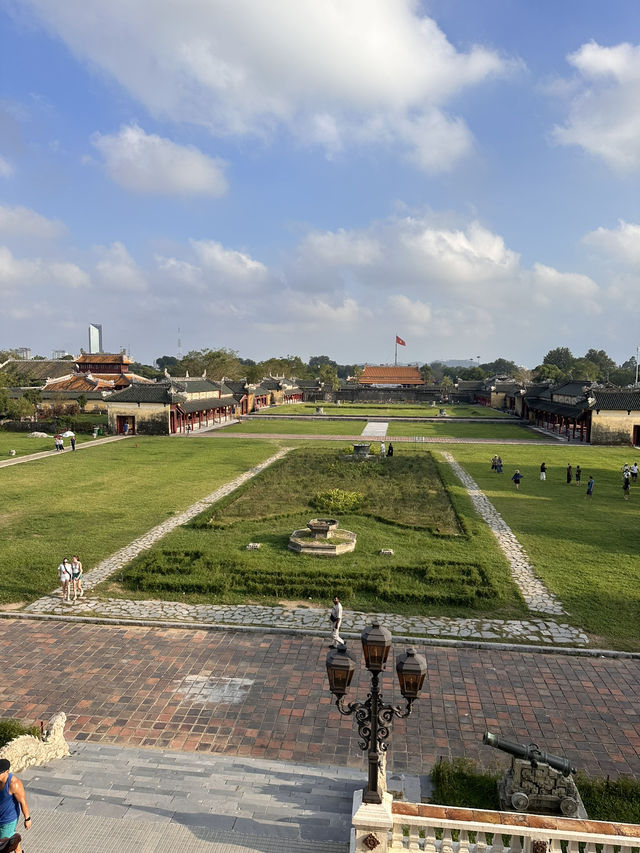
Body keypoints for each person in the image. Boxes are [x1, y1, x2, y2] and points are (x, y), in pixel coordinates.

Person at [0, 758, 31, 853]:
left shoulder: (14, 784)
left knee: (2, 847)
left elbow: (23, 802)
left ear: (7, 771)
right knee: (11, 839)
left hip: (8, 819)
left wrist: (27, 819)